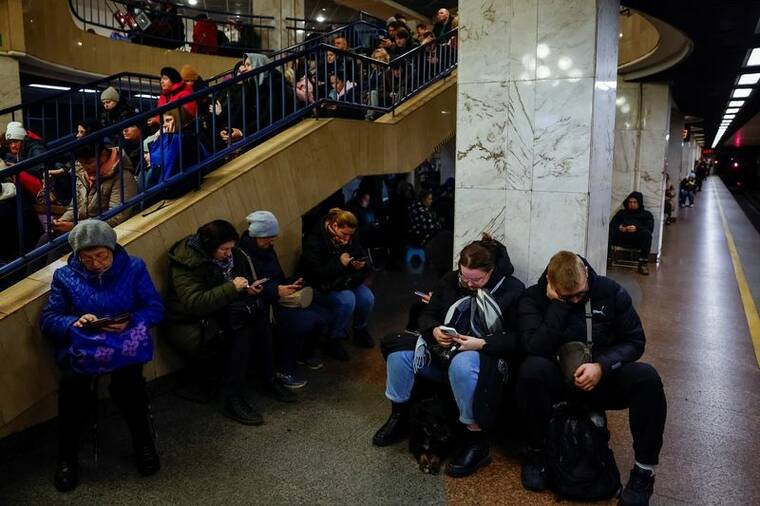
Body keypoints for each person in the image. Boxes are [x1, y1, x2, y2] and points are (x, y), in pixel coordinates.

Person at [516, 251, 666, 506]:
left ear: (586, 273)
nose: (575, 299)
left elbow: (634, 341)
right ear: (551, 284)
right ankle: (537, 453)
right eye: (567, 296)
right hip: (558, 380)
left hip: (600, 377)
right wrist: (558, 307)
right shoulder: (534, 298)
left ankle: (644, 471)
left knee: (647, 378)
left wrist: (602, 366)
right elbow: (534, 346)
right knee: (531, 370)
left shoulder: (609, 291)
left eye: (580, 294)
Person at [373, 234, 525, 478]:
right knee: (399, 354)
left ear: (492, 271)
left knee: (463, 363)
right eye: (464, 277)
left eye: (477, 279)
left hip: (483, 358)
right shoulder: (451, 280)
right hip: (443, 351)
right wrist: (434, 330)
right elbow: (428, 314)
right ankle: (399, 413)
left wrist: (482, 343)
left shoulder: (512, 289)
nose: (469, 284)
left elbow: (519, 337)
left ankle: (474, 437)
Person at [40, 220, 164, 492]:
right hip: (86, 348)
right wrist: (74, 322)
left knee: (130, 388)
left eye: (101, 256)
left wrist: (131, 320)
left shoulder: (134, 268)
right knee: (73, 392)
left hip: (123, 346)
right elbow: (49, 319)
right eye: (87, 258)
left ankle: (143, 444)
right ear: (77, 256)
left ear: (112, 249)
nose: (96, 264)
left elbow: (155, 308)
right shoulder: (65, 276)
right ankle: (66, 458)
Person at [164, 220, 296, 426]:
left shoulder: (233, 256)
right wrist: (232, 288)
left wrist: (247, 288)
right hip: (189, 322)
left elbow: (232, 285)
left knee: (258, 315)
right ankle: (232, 397)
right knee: (241, 328)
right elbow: (194, 303)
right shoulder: (187, 262)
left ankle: (268, 379)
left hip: (222, 309)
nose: (228, 254)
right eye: (224, 249)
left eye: (230, 248)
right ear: (210, 248)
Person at [238, 211, 330, 378]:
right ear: (258, 236)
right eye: (269, 237)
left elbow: (276, 277)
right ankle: (285, 368)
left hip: (278, 294)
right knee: (303, 321)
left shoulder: (267, 249)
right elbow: (248, 287)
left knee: (322, 312)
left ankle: (305, 354)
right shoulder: (243, 257)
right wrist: (276, 290)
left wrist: (291, 283)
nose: (273, 241)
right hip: (265, 305)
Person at [298, 208, 374, 360]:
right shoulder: (314, 239)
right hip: (320, 285)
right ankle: (333, 338)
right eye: (344, 234)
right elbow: (316, 273)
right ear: (334, 225)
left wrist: (360, 265)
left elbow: (359, 255)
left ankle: (360, 329)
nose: (347, 239)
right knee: (347, 300)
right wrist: (340, 264)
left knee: (367, 297)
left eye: (350, 235)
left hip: (343, 280)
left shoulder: (350, 235)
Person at [52, 142, 137, 234]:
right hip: (83, 228)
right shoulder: (81, 171)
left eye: (89, 162)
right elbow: (75, 207)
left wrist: (74, 226)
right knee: (48, 237)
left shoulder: (123, 177)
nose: (85, 167)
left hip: (102, 233)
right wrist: (62, 221)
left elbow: (115, 217)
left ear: (103, 155)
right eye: (81, 163)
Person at [608, 191, 654, 275]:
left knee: (647, 234)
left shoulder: (646, 214)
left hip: (637, 239)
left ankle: (642, 264)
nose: (632, 204)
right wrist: (620, 227)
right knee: (609, 231)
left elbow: (650, 228)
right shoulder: (622, 213)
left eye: (634, 202)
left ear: (639, 203)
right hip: (622, 237)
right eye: (630, 202)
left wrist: (637, 228)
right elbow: (612, 224)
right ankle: (608, 259)